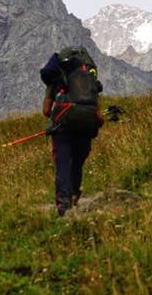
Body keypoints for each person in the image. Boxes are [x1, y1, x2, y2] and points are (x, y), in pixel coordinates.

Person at [40, 47, 105, 216]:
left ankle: (63, 203)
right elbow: (98, 112)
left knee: (63, 162)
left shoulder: (58, 80)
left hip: (63, 129)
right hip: (86, 127)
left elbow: (46, 110)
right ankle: (75, 196)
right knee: (77, 163)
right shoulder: (90, 80)